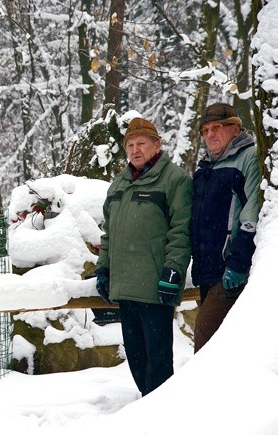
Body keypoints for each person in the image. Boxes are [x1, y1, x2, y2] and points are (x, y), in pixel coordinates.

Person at [95, 117, 192, 396]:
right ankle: (148, 411)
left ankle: (161, 416)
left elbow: (181, 231)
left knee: (159, 364)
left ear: (157, 145)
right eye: (130, 145)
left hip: (155, 288)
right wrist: (103, 270)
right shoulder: (118, 185)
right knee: (136, 361)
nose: (135, 150)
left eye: (141, 144)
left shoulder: (174, 180)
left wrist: (173, 271)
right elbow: (108, 235)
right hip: (125, 290)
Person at [191, 103, 260, 352]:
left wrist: (239, 262)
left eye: (216, 128)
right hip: (207, 272)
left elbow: (251, 212)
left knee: (204, 342)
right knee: (221, 349)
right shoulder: (204, 169)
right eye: (205, 130)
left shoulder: (249, 157)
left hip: (230, 269)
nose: (210, 135)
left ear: (235, 128)